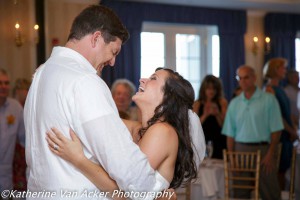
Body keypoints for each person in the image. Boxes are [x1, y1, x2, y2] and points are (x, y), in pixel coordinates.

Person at [24, 5, 204, 200]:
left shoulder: (42, 74)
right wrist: (157, 194)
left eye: (153, 79)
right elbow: (132, 176)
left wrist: (80, 159)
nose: (112, 62)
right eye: (114, 51)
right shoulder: (85, 81)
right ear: (96, 38)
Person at [46, 68, 205, 197]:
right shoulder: (139, 129)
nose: (142, 80)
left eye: (153, 78)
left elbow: (125, 195)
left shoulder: (163, 132)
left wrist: (78, 159)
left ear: (168, 97)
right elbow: (92, 119)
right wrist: (60, 77)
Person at [222, 65, 283, 200]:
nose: (243, 81)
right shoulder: (234, 103)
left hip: (264, 150)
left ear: (254, 78)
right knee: (240, 192)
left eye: (246, 77)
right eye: (240, 78)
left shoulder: (269, 100)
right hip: (240, 150)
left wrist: (270, 154)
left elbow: (277, 130)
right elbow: (230, 134)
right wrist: (232, 158)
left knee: (270, 192)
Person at [263, 58, 298, 190]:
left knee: (283, 171)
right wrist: (292, 132)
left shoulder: (280, 89)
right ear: (275, 69)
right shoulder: (269, 89)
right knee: (279, 172)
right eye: (283, 68)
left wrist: (294, 127)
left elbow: (287, 113)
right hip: (279, 135)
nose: (285, 71)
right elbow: (277, 117)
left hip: (286, 134)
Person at [0, 69, 26, 198]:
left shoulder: (15, 108)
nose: (4, 86)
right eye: (0, 83)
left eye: (6, 83)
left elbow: (25, 139)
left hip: (6, 177)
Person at [193, 75, 227, 159]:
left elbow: (225, 127)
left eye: (214, 88)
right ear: (204, 89)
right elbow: (194, 127)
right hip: (202, 139)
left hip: (219, 140)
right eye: (208, 88)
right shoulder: (197, 103)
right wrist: (205, 114)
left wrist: (217, 114)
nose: (211, 91)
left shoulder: (222, 102)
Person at [12, 78, 31, 192]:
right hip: (18, 149)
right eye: (26, 89)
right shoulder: (15, 107)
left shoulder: (28, 105)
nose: (28, 92)